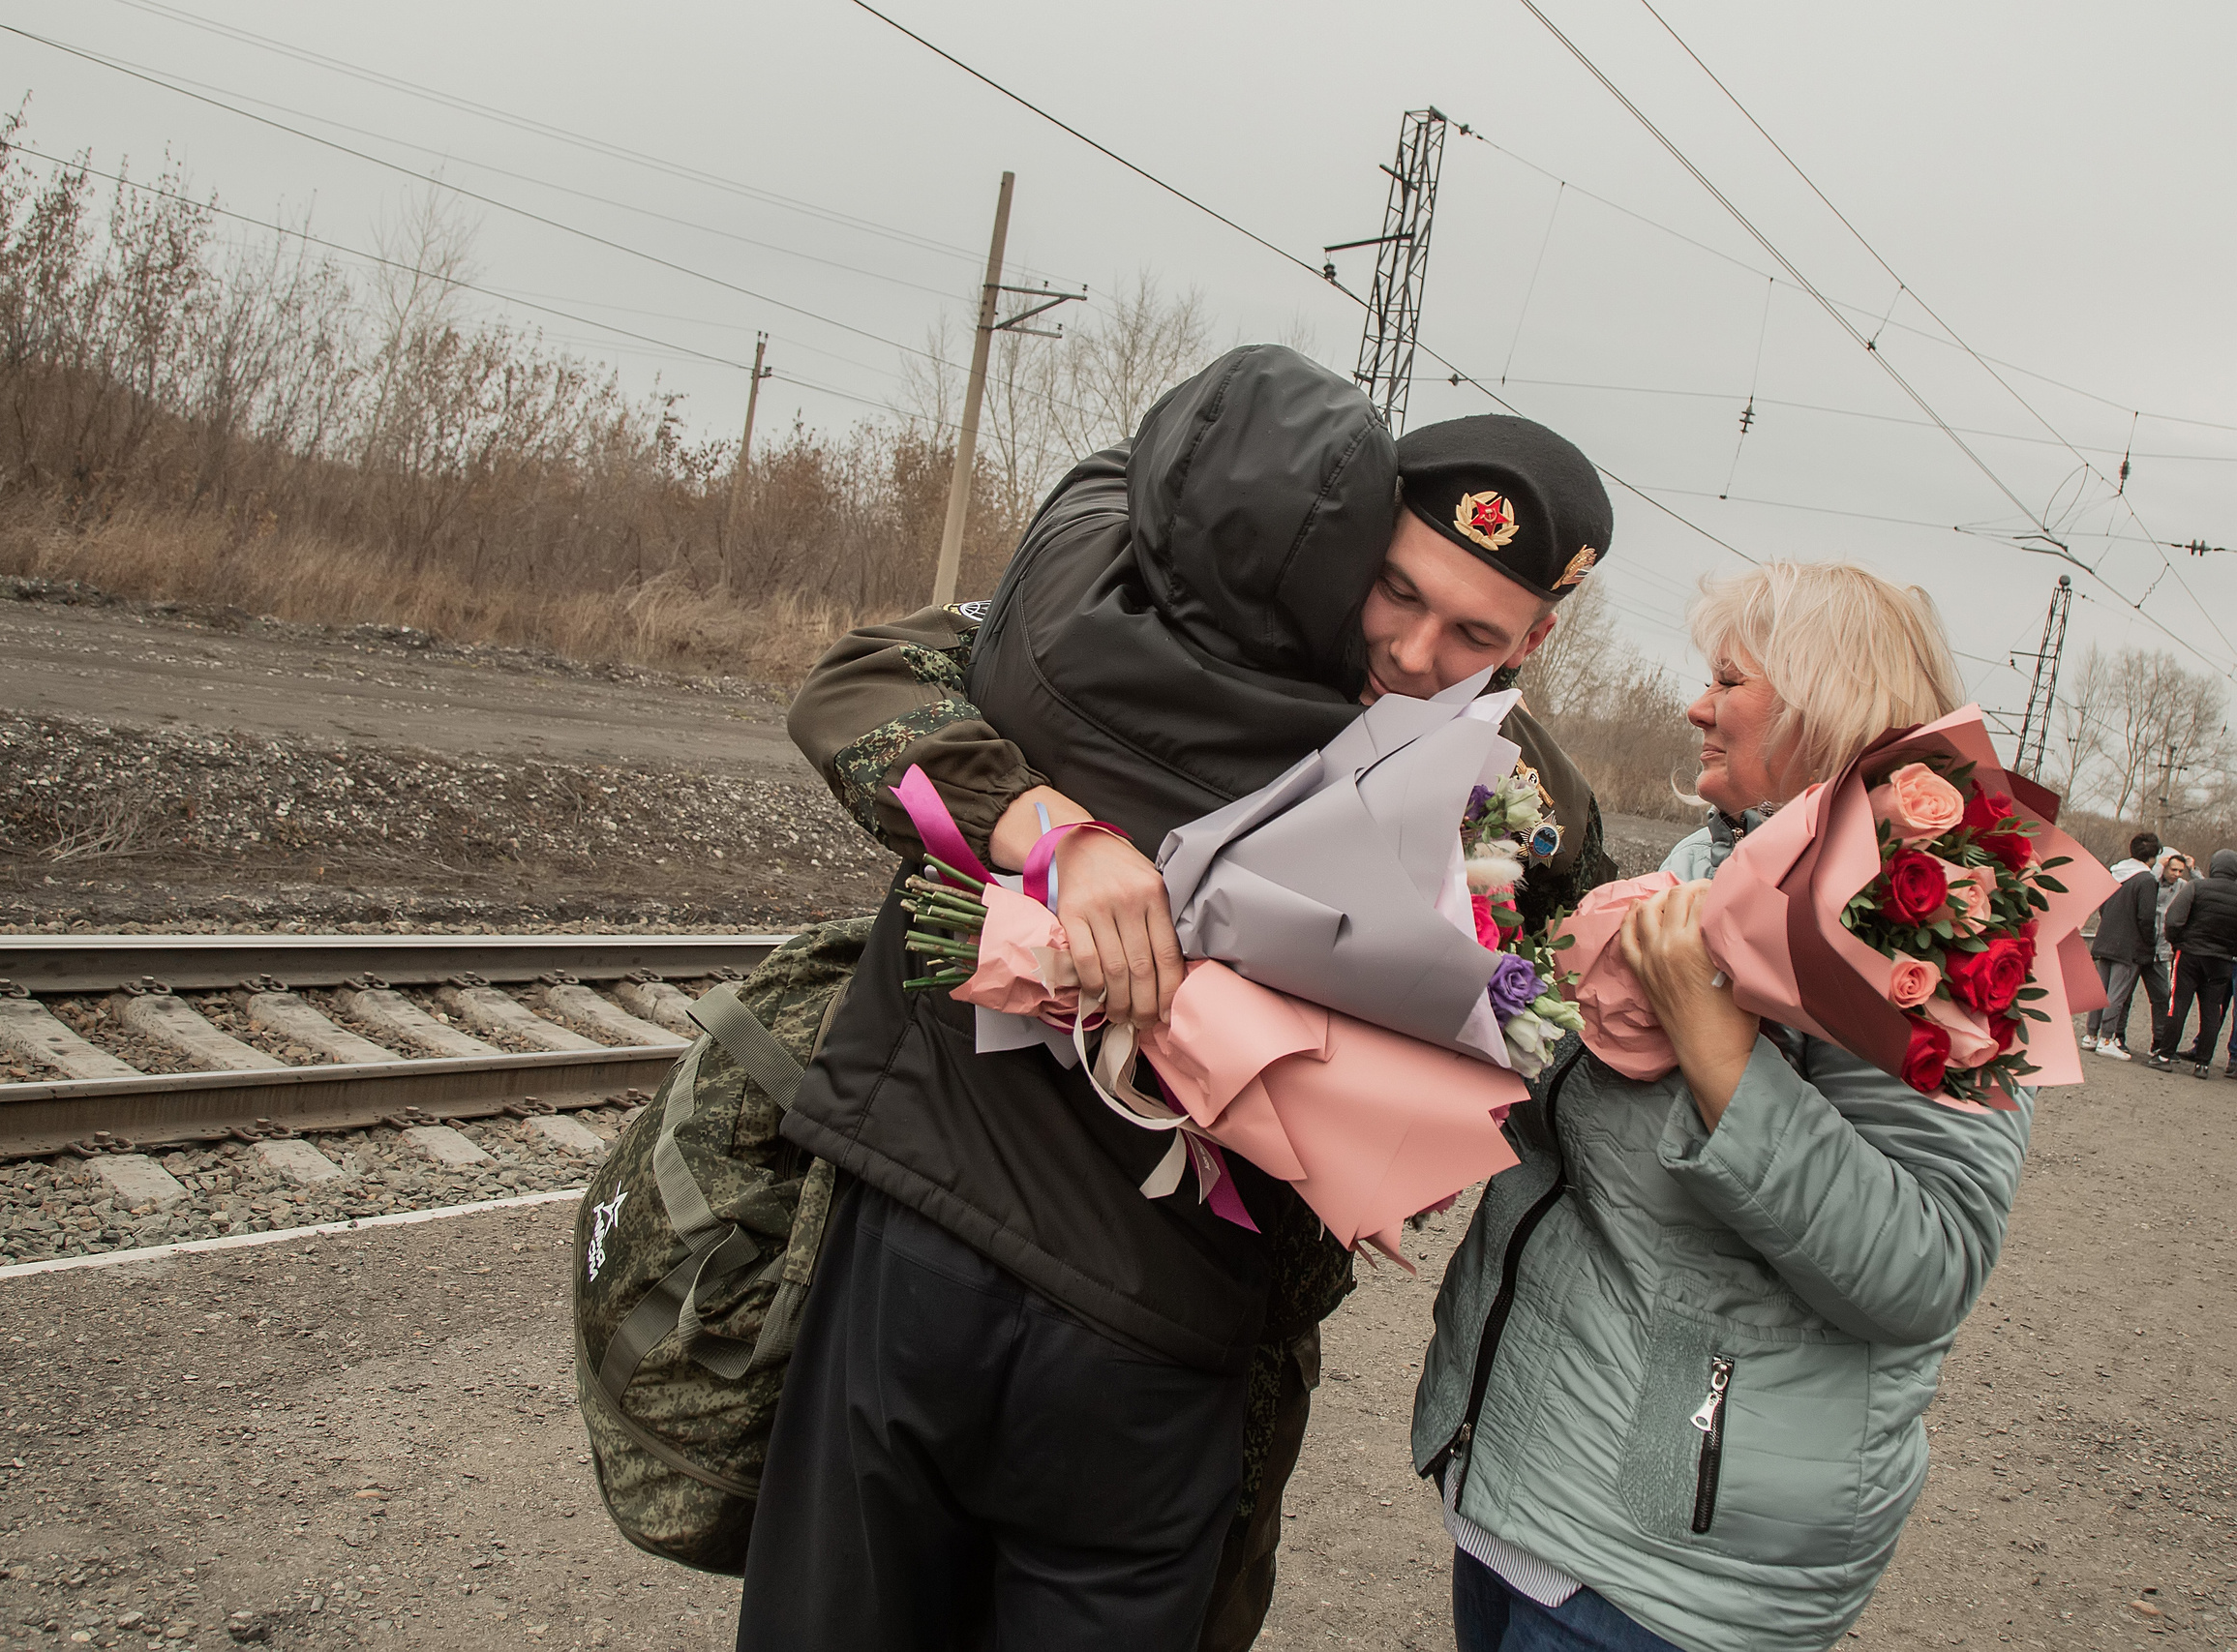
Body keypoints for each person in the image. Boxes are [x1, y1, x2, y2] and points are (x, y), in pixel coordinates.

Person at [741, 344, 1617, 1651]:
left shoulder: (1522, 800)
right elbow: (865, 683)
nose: (1415, 651)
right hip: (944, 1243)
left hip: (1163, 1331)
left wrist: (1415, 1132)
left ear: (1538, 637)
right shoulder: (1156, 612)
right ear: (1356, 541)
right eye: (1396, 590)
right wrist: (1052, 829)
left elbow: (1550, 997)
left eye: (1475, 633)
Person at [1411, 561, 2030, 1652]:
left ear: (1820, 700)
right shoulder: (1713, 860)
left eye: (1727, 679)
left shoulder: (1934, 922)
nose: (1694, 704)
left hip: (1659, 1552)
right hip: (1525, 1490)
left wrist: (1720, 1056)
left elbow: (1927, 1267)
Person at [2081, 831, 2163, 1061]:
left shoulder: (2117, 872)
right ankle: (2108, 1038)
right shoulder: (2146, 880)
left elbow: (2103, 906)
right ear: (2153, 856)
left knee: (2101, 991)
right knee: (2116, 994)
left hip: (2105, 938)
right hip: (2127, 946)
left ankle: (2091, 1035)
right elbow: (2146, 918)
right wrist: (2149, 942)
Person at [2160, 851, 2237, 1077]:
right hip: (2222, 960)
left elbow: (2174, 919)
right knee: (2213, 1010)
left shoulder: (2198, 888)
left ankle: (2165, 1055)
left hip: (2191, 954)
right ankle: (2203, 1063)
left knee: (2179, 1004)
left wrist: (2178, 942)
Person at [2146, 851, 2192, 1069]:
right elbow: (2150, 878)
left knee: (2162, 997)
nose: (2176, 874)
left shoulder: (2183, 886)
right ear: (2164, 867)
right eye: (2173, 869)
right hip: (2143, 944)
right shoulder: (2152, 882)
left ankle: (2159, 1041)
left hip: (2163, 950)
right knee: (2123, 995)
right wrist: (2159, 867)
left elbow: (2205, 887)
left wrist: (2193, 869)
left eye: (2180, 871)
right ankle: (2116, 1036)